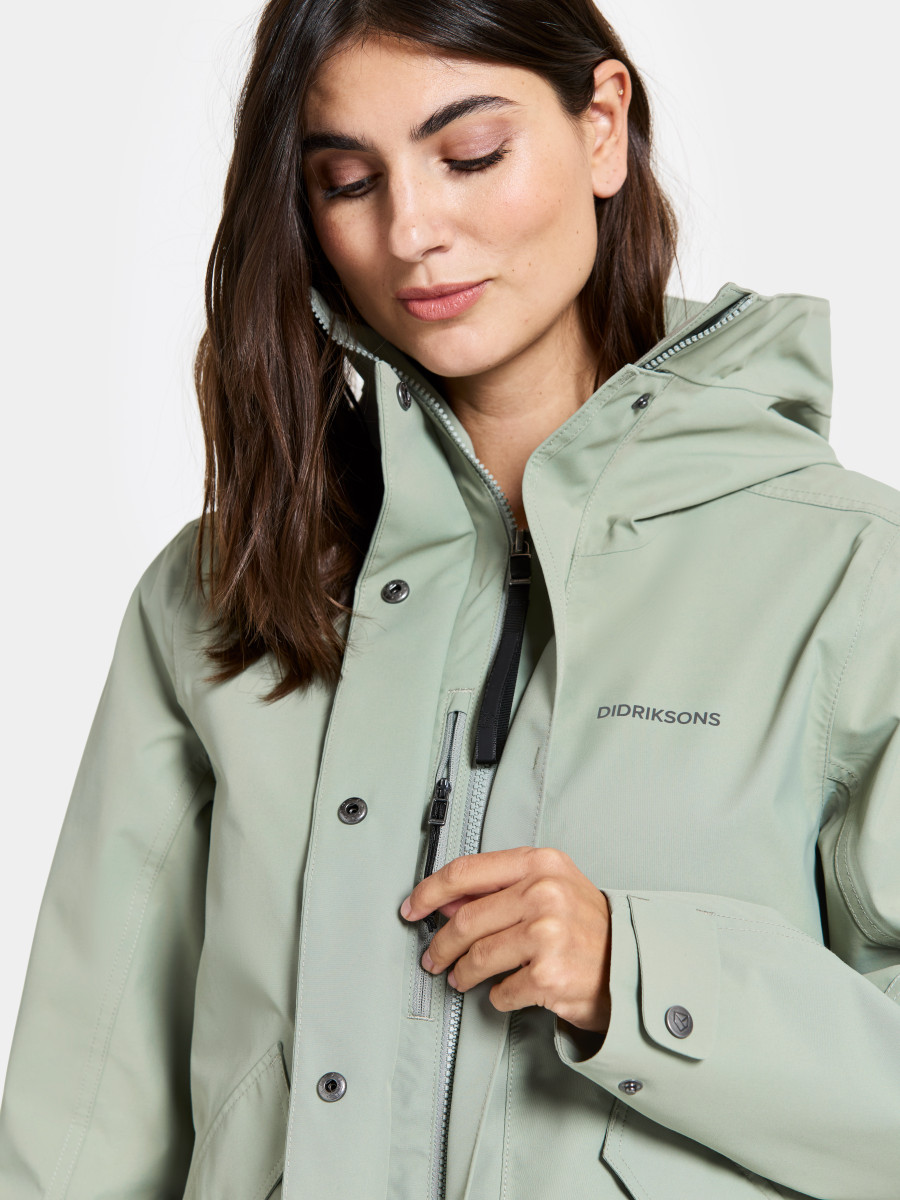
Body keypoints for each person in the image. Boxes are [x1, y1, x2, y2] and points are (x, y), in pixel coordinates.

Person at [1, 0, 899, 1196]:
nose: (412, 230)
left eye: (470, 154)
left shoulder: (853, 575)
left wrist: (636, 976)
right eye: (347, 181)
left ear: (602, 126)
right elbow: (86, 1104)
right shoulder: (225, 588)